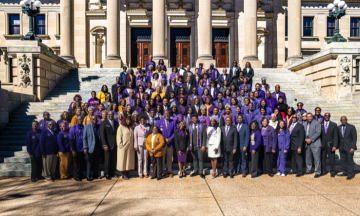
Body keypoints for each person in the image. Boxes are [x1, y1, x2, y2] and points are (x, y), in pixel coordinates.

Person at [156, 110, 177, 178]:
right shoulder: (159, 122)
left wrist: (170, 139)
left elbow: (175, 132)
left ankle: (169, 171)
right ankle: (162, 171)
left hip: (170, 143)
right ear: (163, 114)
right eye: (165, 113)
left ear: (169, 114)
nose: (167, 114)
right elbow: (158, 133)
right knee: (162, 158)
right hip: (162, 143)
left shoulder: (173, 122)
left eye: (168, 113)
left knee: (169, 158)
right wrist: (164, 139)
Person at [100, 111, 120, 180]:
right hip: (107, 145)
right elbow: (102, 135)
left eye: (112, 114)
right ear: (107, 115)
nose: (111, 115)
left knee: (113, 160)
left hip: (114, 144)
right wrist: (104, 144)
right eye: (110, 114)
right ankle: (107, 173)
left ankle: (112, 173)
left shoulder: (116, 123)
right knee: (107, 160)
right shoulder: (104, 122)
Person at [303, 113, 322, 178]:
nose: (309, 118)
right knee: (308, 158)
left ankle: (318, 172)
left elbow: (318, 133)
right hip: (307, 143)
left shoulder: (317, 123)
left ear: (312, 117)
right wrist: (305, 139)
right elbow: (303, 133)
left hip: (315, 143)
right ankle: (308, 170)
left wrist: (310, 139)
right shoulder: (304, 123)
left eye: (310, 117)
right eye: (307, 117)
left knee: (317, 159)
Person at [116, 115, 135, 180]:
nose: (128, 121)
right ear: (124, 120)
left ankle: (127, 172)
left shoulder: (130, 127)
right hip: (123, 147)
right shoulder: (121, 127)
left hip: (130, 147)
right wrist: (120, 145)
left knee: (128, 160)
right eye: (127, 120)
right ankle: (123, 174)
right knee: (123, 161)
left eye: (129, 120)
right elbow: (118, 137)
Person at [83, 115, 101, 181]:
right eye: (93, 119)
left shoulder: (99, 127)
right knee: (89, 161)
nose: (94, 120)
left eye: (95, 119)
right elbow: (84, 138)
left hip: (97, 146)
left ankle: (95, 175)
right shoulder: (86, 127)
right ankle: (88, 176)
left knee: (96, 161)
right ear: (91, 120)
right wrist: (85, 147)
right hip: (90, 146)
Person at [189, 114, 207, 178]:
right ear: (191, 119)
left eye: (195, 118)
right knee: (194, 159)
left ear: (197, 119)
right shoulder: (189, 126)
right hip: (192, 146)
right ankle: (195, 170)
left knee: (201, 159)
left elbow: (204, 136)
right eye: (193, 119)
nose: (194, 120)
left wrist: (204, 145)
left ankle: (201, 172)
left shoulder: (202, 126)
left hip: (200, 146)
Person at [321, 113, 338, 177]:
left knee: (332, 159)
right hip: (322, 144)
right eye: (326, 115)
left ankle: (332, 171)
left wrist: (335, 145)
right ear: (324, 116)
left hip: (331, 144)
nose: (327, 117)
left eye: (328, 115)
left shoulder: (333, 125)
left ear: (330, 116)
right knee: (323, 159)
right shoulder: (320, 124)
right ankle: (323, 171)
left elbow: (336, 136)